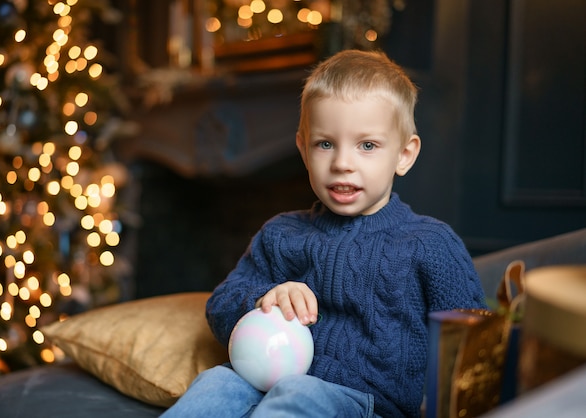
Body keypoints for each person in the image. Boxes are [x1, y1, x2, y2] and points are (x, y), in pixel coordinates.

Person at [159, 49, 487, 418]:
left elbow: (474, 341)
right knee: (216, 382)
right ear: (303, 148)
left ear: (404, 155)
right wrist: (265, 298)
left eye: (367, 146)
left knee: (298, 394)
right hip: (266, 378)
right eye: (325, 144)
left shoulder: (430, 244)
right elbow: (221, 304)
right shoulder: (282, 233)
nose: (342, 163)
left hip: (366, 403)